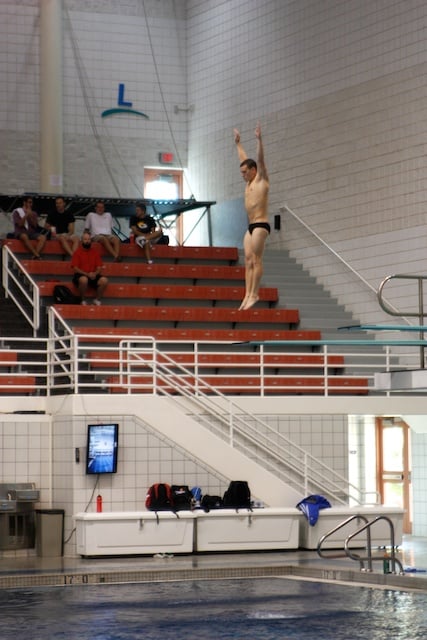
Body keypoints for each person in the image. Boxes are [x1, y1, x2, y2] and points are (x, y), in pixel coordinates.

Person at [234, 122, 270, 310]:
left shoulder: (262, 180)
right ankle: (247, 294)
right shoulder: (248, 182)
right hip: (250, 226)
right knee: (247, 259)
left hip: (261, 225)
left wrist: (259, 140)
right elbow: (244, 159)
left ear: (253, 170)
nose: (242, 176)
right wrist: (238, 144)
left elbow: (260, 160)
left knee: (256, 259)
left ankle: (255, 294)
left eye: (245, 172)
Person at [71, 230, 108, 305]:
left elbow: (99, 267)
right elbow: (75, 268)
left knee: (104, 280)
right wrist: (87, 274)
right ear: (82, 241)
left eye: (89, 239)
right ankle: (82, 300)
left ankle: (97, 300)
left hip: (93, 275)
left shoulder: (95, 252)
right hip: (81, 274)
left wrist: (95, 273)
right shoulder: (77, 252)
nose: (87, 241)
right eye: (85, 239)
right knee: (84, 280)